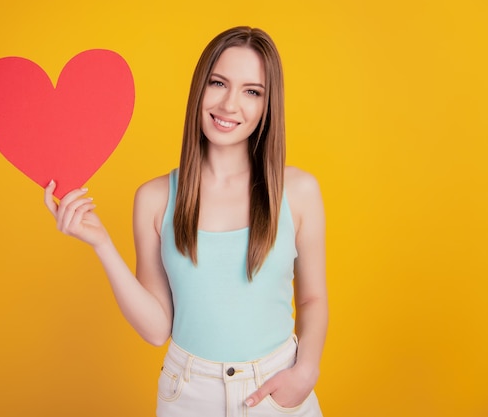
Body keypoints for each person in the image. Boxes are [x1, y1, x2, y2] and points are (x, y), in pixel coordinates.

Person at [44, 26, 327, 417]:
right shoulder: (154, 199)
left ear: (267, 106)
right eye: (218, 83)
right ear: (199, 88)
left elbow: (312, 299)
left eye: (251, 91)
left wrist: (306, 372)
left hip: (276, 389)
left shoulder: (299, 191)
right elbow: (157, 328)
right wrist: (101, 244)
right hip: (190, 395)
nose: (229, 104)